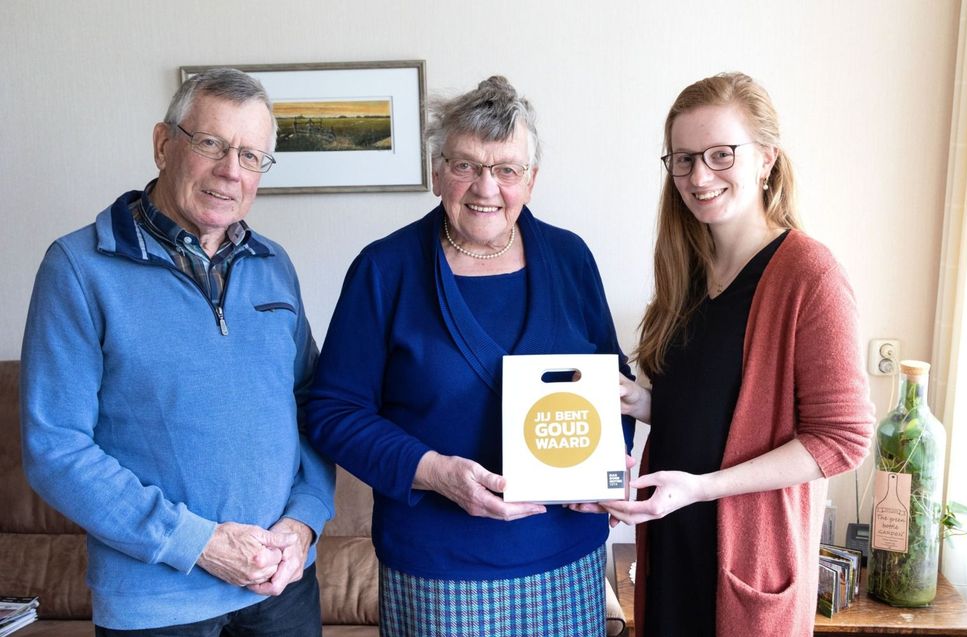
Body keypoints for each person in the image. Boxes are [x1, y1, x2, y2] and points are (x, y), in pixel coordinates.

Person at [306, 76, 634, 637]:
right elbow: (332, 411)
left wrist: (608, 467)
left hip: (567, 560)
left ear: (531, 180)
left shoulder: (570, 257)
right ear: (437, 173)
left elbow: (612, 382)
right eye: (465, 165)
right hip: (438, 571)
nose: (487, 187)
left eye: (506, 169)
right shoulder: (384, 271)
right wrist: (433, 473)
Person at [20, 68, 335, 636]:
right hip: (156, 604)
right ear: (164, 145)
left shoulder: (274, 266)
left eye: (251, 156)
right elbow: (55, 447)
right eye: (211, 144)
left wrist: (304, 522)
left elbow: (312, 402)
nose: (230, 172)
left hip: (283, 586)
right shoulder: (78, 268)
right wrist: (202, 543)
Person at [600, 72, 874, 637]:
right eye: (683, 159)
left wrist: (702, 487)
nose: (699, 176)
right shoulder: (688, 269)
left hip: (746, 551)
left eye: (721, 154)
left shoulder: (809, 276)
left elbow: (843, 439)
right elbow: (728, 403)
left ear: (766, 159)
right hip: (673, 538)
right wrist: (646, 403)